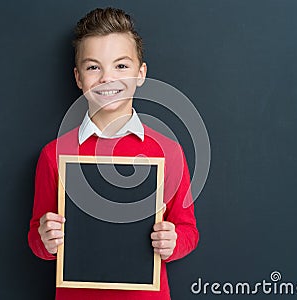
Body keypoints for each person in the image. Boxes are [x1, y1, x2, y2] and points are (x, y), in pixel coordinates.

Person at [28, 7, 199, 300]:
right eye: (93, 67)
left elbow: (188, 230)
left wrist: (174, 242)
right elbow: (37, 237)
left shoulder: (168, 151)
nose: (107, 78)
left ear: (141, 73)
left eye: (121, 66)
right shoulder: (54, 154)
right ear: (78, 77)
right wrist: (45, 240)